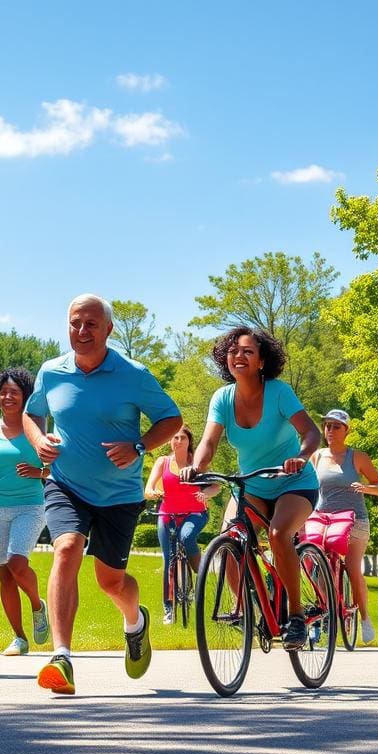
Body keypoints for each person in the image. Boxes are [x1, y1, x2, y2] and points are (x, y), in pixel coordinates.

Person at [24, 294, 182, 695]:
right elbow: (31, 412)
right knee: (66, 548)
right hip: (65, 484)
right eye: (75, 323)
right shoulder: (51, 371)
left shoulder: (133, 374)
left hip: (119, 494)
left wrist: (141, 447)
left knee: (111, 583)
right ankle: (62, 656)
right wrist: (39, 438)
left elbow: (172, 418)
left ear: (108, 329)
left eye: (91, 324)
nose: (82, 331)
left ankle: (136, 621)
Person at [181, 327, 321, 651]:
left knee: (277, 534)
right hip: (252, 484)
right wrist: (197, 467)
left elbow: (311, 433)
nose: (238, 356)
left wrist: (301, 457)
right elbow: (208, 442)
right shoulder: (222, 398)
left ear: (261, 361)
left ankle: (297, 617)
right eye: (233, 351)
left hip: (294, 483)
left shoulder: (279, 392)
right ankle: (250, 608)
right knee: (229, 536)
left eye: (247, 351)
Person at [0, 367, 50, 656]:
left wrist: (39, 471)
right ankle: (19, 638)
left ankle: (38, 605)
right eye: (3, 392)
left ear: (25, 396)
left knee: (17, 565)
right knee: (4, 575)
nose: (7, 396)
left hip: (30, 505)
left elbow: (58, 467)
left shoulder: (37, 428)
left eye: (14, 392)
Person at [309, 408, 378, 644]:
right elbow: (311, 491)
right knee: (315, 561)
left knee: (353, 567)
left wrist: (365, 488)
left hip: (355, 520)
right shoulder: (317, 457)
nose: (330, 431)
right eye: (327, 426)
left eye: (336, 427)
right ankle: (321, 612)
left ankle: (364, 618)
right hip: (324, 518)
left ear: (346, 430)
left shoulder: (358, 457)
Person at [144, 425, 217, 625]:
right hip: (168, 514)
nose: (178, 441)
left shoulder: (196, 463)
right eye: (174, 438)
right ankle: (169, 609)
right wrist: (153, 492)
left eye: (182, 438)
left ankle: (199, 570)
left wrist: (207, 493)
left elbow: (215, 485)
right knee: (168, 561)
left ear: (188, 441)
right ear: (170, 441)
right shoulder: (163, 462)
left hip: (195, 513)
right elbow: (148, 488)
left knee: (186, 536)